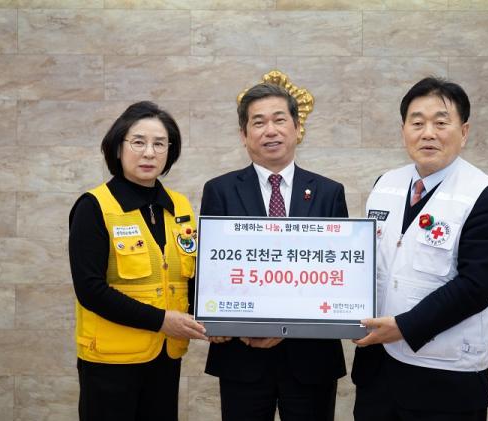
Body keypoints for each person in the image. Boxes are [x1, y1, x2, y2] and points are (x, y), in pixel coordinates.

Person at [352, 77, 488, 420]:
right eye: (417, 123)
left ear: (464, 132)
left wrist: (405, 326)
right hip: (378, 374)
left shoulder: (483, 195)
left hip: (444, 378)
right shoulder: (385, 184)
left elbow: (477, 286)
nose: (428, 133)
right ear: (403, 131)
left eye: (441, 123)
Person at [201, 82, 348, 421]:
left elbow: (337, 275)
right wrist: (225, 321)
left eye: (280, 120)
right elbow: (212, 271)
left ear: (297, 128)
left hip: (311, 359)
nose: (270, 130)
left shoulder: (329, 192)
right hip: (242, 356)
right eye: (258, 122)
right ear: (244, 134)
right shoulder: (220, 191)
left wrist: (284, 327)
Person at [68, 101, 207, 421]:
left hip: (166, 357)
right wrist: (161, 320)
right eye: (139, 142)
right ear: (118, 147)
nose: (149, 153)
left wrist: (220, 317)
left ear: (170, 152)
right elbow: (90, 290)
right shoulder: (94, 206)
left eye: (160, 144)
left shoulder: (180, 207)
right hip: (110, 362)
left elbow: (192, 277)